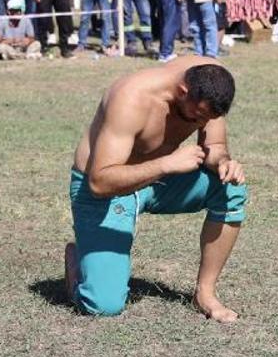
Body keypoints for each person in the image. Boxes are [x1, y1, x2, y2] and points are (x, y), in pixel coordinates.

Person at [65, 56, 248, 322]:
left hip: (161, 179)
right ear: (182, 91)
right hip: (106, 189)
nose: (201, 124)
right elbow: (99, 182)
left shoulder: (209, 81)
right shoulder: (131, 97)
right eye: (198, 117)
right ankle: (76, 265)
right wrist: (165, 164)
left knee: (230, 190)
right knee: (103, 305)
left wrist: (224, 163)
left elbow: (216, 146)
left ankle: (204, 294)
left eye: (207, 119)